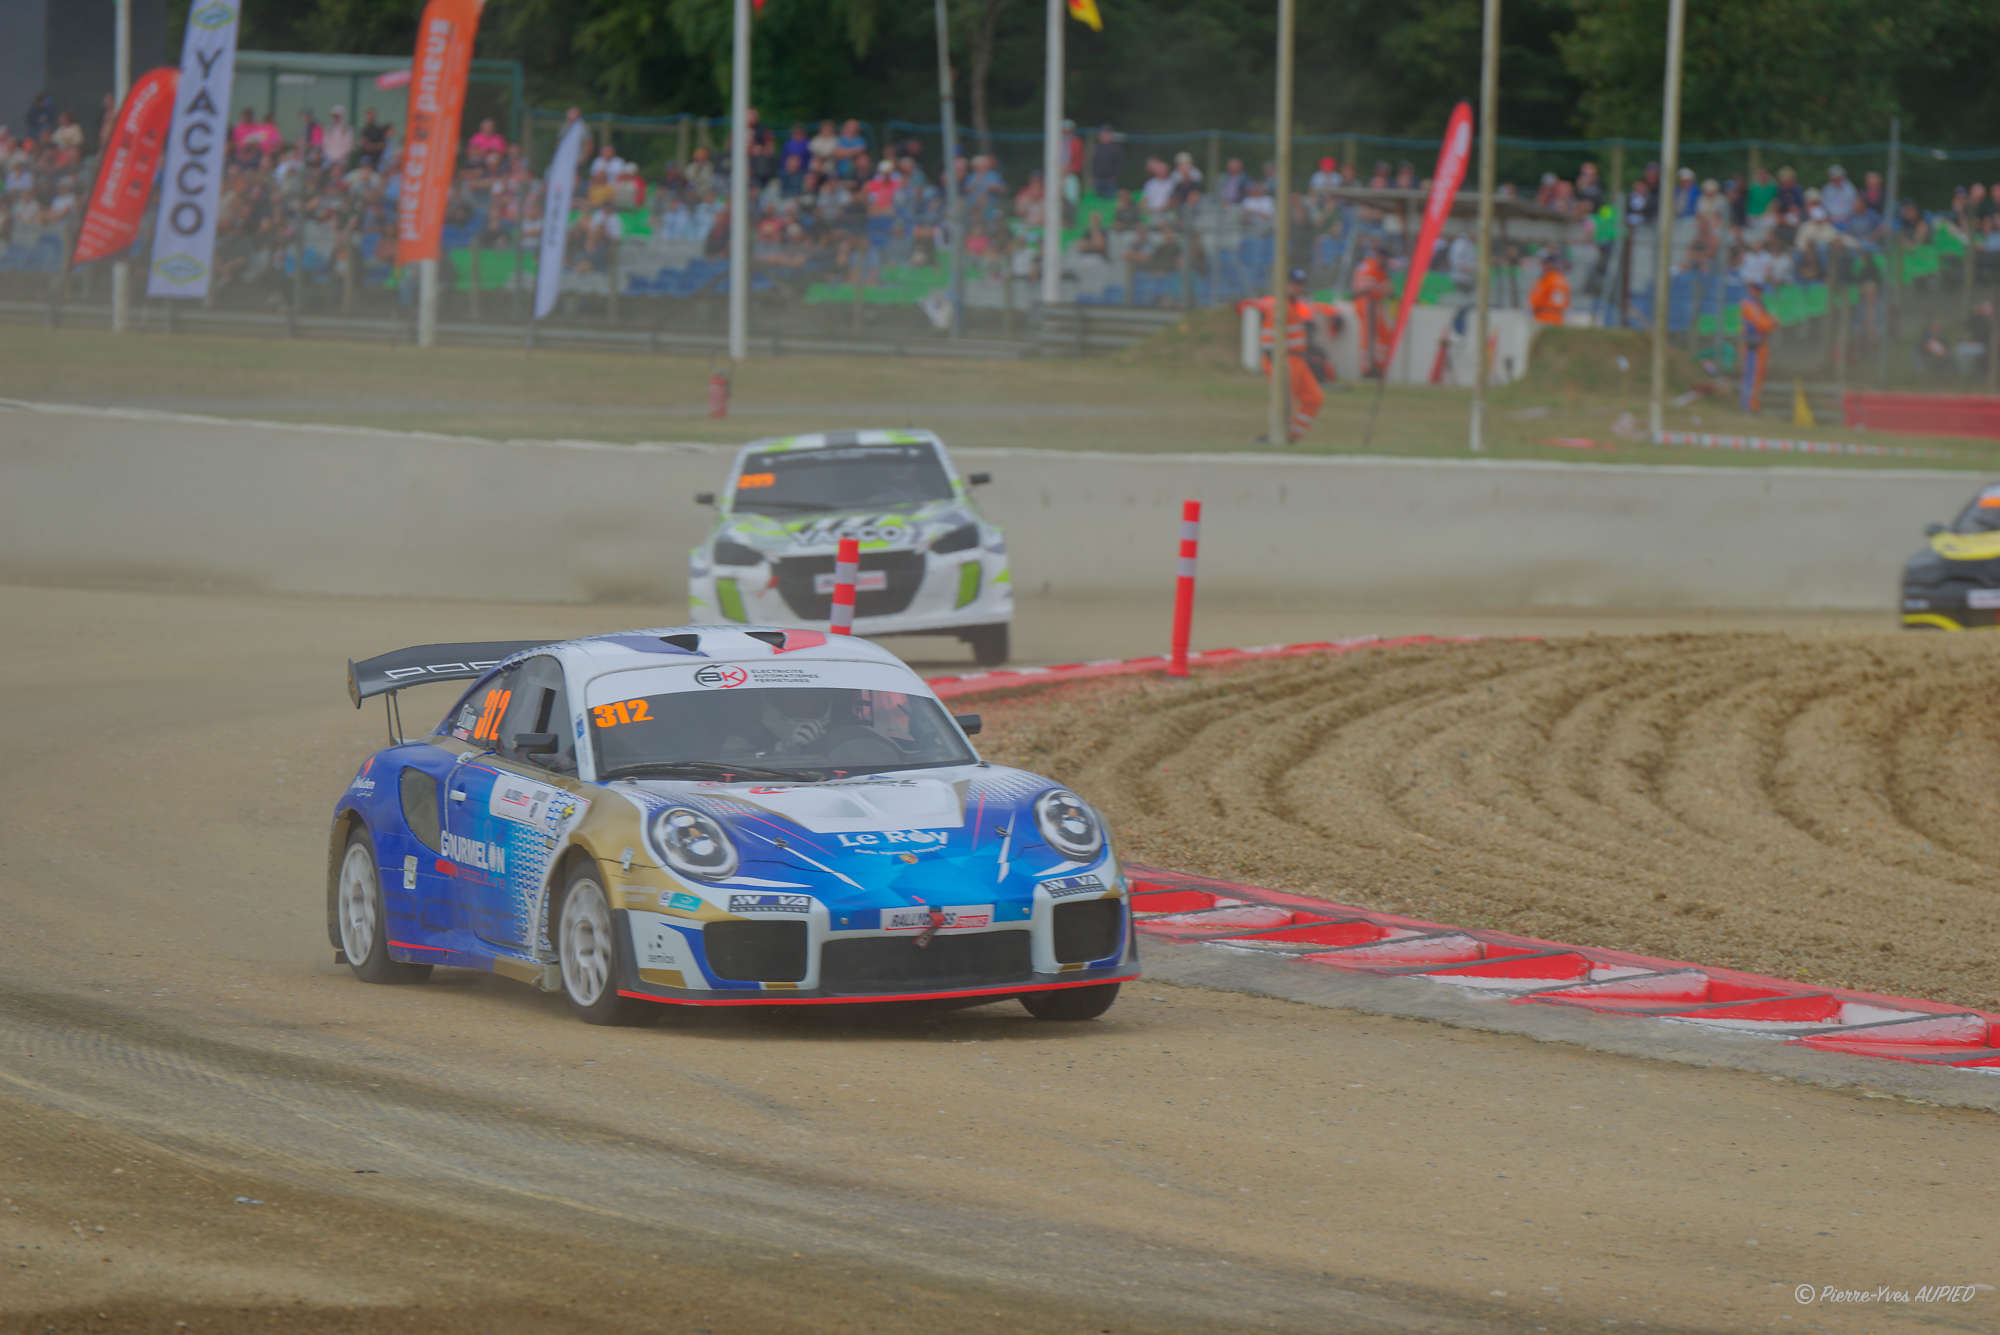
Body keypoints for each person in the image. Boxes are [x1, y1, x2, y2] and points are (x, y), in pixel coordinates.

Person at [1242, 268, 1336, 444]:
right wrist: (1276, 363)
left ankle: (1291, 436)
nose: (1299, 288)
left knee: (1314, 398)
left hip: (1298, 360)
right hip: (1285, 360)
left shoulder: (1295, 306)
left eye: (1301, 284)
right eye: (1295, 284)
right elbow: (1268, 338)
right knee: (1285, 402)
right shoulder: (1280, 307)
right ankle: (1276, 436)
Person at [1351, 245, 1392, 377]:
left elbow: (1388, 290)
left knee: (1383, 334)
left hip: (1372, 303)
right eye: (1384, 258)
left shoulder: (1374, 267)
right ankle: (1367, 369)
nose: (1386, 261)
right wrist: (1383, 289)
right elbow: (1365, 288)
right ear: (1379, 257)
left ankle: (1377, 366)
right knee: (1368, 336)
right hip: (1366, 302)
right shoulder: (1371, 267)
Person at [1738, 281, 1777, 413]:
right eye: (1755, 289)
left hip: (1760, 345)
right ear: (1751, 290)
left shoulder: (1759, 304)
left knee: (1757, 378)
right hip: (1752, 347)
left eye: (1759, 290)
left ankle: (1753, 406)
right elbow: (1762, 324)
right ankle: (1747, 406)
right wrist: (1772, 321)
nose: (1758, 292)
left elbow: (1767, 322)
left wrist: (1771, 321)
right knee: (1751, 377)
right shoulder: (1749, 304)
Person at [1529, 251, 1570, 325]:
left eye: (1545, 263)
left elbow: (1558, 303)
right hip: (1541, 318)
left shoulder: (1556, 280)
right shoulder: (1545, 278)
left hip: (1550, 319)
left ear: (1551, 264)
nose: (1542, 265)